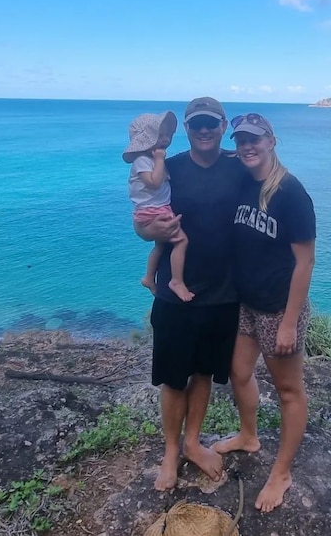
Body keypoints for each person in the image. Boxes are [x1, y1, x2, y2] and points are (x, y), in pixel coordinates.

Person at [133, 97, 246, 491]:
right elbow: (142, 221)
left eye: (211, 124)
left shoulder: (239, 166)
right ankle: (170, 453)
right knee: (173, 378)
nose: (203, 130)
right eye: (196, 123)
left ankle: (193, 443)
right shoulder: (172, 169)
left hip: (223, 293)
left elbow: (272, 191)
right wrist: (151, 233)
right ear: (186, 126)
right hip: (172, 293)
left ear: (223, 125)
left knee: (202, 374)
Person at [212, 113, 316, 513]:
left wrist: (289, 322)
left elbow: (305, 262)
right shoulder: (242, 178)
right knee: (238, 373)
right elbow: (213, 154)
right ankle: (249, 436)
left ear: (273, 140)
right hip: (246, 301)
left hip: (277, 307)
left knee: (289, 391)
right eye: (241, 140)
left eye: (255, 139)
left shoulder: (291, 193)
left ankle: (282, 473)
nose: (247, 146)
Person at [123, 111, 194, 302]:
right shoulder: (143, 161)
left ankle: (148, 277)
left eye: (167, 135)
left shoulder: (151, 161)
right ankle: (176, 281)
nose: (165, 140)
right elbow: (153, 183)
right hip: (154, 211)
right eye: (159, 135)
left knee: (161, 245)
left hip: (154, 210)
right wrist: (161, 160)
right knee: (181, 241)